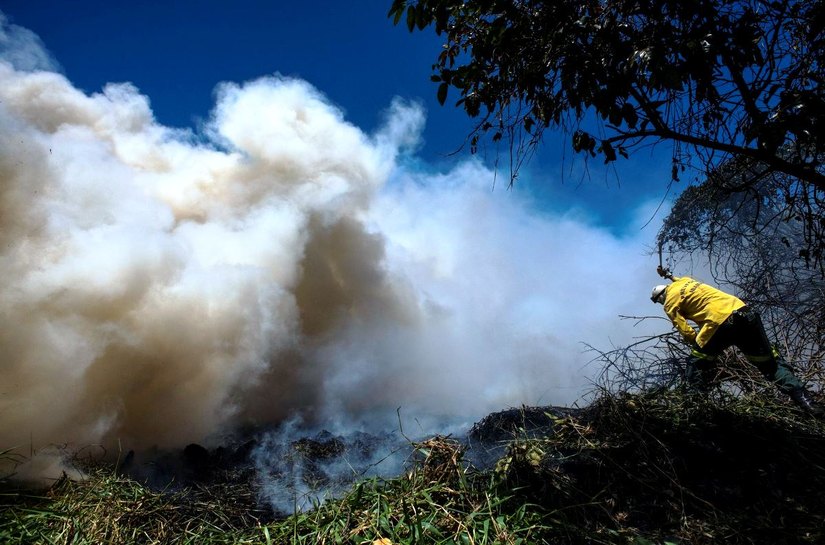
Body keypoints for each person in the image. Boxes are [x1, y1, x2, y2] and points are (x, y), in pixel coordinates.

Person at [650, 267, 822, 416]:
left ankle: (697, 410)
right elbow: (677, 280)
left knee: (695, 364)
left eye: (658, 301)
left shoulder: (669, 302)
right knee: (770, 365)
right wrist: (668, 275)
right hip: (745, 314)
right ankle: (807, 403)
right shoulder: (685, 282)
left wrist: (698, 344)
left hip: (718, 323)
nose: (660, 303)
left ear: (661, 297)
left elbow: (685, 330)